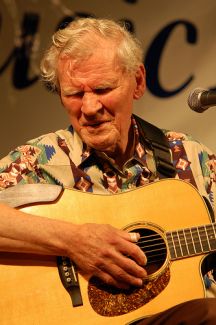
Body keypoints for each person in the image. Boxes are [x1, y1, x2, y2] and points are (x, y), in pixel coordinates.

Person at [0, 17, 215, 324]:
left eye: (102, 89)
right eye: (74, 94)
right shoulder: (40, 158)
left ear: (138, 82)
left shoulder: (188, 156)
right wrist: (73, 241)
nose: (88, 108)